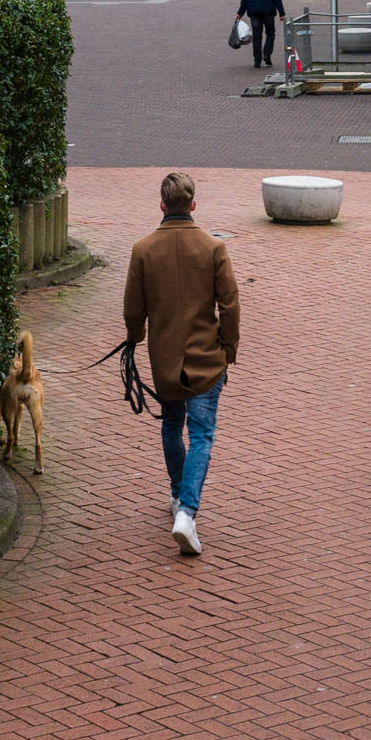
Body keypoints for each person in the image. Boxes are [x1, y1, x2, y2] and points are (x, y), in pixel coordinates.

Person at [123, 170, 239, 558]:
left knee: (173, 425)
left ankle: (177, 496)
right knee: (202, 433)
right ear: (193, 205)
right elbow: (231, 304)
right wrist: (228, 348)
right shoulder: (212, 248)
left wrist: (136, 338)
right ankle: (187, 512)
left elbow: (133, 309)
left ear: (161, 205)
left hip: (165, 360)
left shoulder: (143, 249)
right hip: (206, 358)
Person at [236, 0, 285, 71]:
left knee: (257, 36)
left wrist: (240, 13)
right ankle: (267, 54)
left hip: (254, 12)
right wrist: (281, 13)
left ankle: (257, 61)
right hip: (268, 12)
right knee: (270, 33)